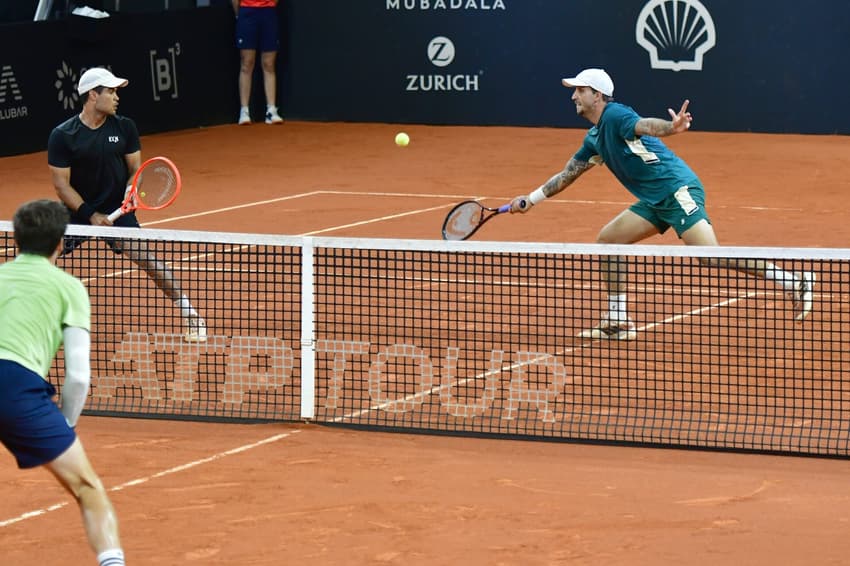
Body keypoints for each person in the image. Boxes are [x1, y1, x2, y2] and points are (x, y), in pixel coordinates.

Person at [510, 68, 815, 340]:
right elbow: (567, 175)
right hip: (654, 200)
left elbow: (646, 125)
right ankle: (617, 318)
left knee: (710, 256)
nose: (573, 96)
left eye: (579, 90)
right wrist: (531, 200)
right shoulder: (594, 138)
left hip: (676, 188)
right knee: (609, 241)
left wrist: (673, 128)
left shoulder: (616, 115)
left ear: (597, 95)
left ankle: (793, 280)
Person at [0, 200, 126, 566]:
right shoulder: (69, 288)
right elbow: (79, 375)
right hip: (17, 389)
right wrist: (66, 423)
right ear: (59, 243)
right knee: (88, 488)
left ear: (18, 239)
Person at [47, 67, 207, 343]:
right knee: (45, 255)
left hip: (118, 207)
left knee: (145, 257)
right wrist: (90, 215)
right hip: (78, 209)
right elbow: (62, 186)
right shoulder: (63, 135)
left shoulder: (125, 127)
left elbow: (135, 169)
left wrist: (131, 190)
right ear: (93, 95)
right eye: (110, 91)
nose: (116, 96)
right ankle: (36, 317)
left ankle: (191, 315)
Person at [232, 0, 284, 125]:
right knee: (247, 63)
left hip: (268, 12)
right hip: (247, 12)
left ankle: (271, 110)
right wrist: (240, 14)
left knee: (269, 64)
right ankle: (244, 111)